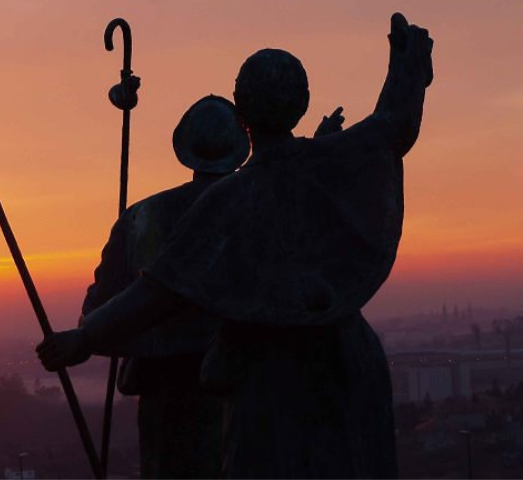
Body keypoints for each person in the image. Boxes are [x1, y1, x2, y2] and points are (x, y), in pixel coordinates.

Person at [40, 12, 433, 478]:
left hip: (273, 377)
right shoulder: (334, 159)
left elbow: (157, 293)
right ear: (302, 103)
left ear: (241, 112)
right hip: (348, 361)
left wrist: (85, 337)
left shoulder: (228, 201)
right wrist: (407, 70)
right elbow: (394, 124)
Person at [85, 95, 344, 478]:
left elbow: (97, 321)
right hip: (250, 393)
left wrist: (156, 334)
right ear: (240, 149)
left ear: (185, 150)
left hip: (168, 402)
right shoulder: (266, 208)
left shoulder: (141, 218)